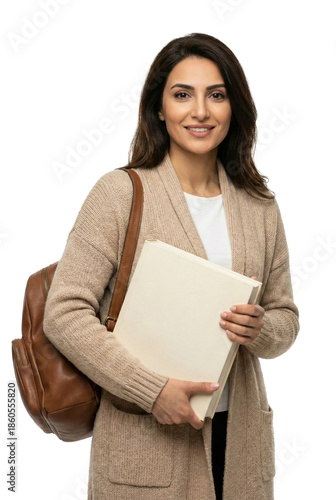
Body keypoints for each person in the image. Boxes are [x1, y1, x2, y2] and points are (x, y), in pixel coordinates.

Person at [44, 33, 299, 500]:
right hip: (144, 445)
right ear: (159, 108)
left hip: (238, 442)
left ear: (233, 107)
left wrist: (260, 328)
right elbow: (64, 312)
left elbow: (286, 319)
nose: (199, 111)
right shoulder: (119, 193)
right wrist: (151, 390)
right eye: (182, 95)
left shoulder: (260, 206)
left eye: (216, 95)